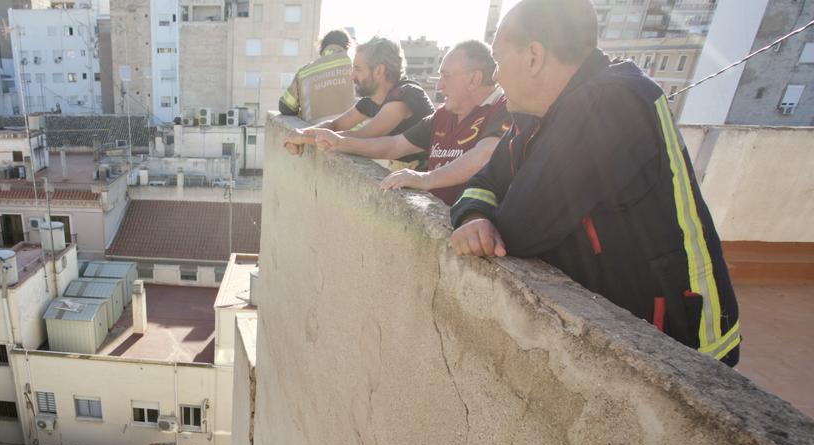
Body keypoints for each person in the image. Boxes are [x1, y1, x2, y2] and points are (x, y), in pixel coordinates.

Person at [449, 0, 740, 365]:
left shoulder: (612, 101)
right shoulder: (538, 117)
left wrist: (489, 218)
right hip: (624, 321)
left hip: (685, 342)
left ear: (534, 56)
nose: (496, 77)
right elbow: (484, 181)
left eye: (498, 59)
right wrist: (473, 216)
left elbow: (519, 229)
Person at [308, 40, 511, 204]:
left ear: (474, 79)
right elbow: (394, 145)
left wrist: (425, 178)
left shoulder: (504, 108)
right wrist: (339, 143)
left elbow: (485, 154)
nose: (439, 85)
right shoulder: (443, 115)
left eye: (445, 76)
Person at [284, 37, 433, 162]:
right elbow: (335, 125)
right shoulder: (372, 100)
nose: (352, 76)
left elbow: (363, 137)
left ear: (379, 71)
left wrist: (302, 138)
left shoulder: (404, 96)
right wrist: (298, 134)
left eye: (358, 69)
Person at [278, 29, 355, 123]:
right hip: (351, 135)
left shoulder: (304, 72)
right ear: (347, 46)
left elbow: (285, 107)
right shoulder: (356, 66)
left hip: (315, 133)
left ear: (322, 47)